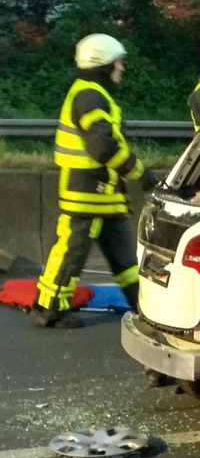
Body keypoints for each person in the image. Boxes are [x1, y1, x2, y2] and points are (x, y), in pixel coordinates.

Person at [32, 34, 156, 330]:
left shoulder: (93, 94)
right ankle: (49, 308)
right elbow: (103, 147)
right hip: (87, 191)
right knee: (71, 252)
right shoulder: (90, 96)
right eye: (118, 62)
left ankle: (146, 307)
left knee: (124, 256)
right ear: (102, 63)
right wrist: (141, 173)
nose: (122, 68)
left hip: (102, 193)